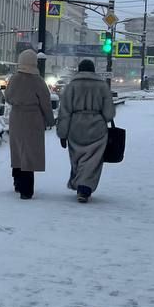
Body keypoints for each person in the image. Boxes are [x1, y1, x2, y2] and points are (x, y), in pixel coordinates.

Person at [57, 59, 115, 203]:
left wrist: (62, 134)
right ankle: (85, 188)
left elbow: (64, 112)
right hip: (97, 127)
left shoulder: (71, 86)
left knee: (77, 157)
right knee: (93, 159)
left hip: (75, 126)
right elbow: (109, 113)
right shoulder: (102, 86)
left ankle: (79, 183)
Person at [7, 49, 56, 199]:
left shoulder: (14, 79)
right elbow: (46, 103)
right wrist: (50, 120)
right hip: (33, 118)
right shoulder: (38, 81)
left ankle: (17, 181)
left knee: (17, 150)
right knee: (29, 153)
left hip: (16, 117)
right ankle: (26, 190)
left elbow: (7, 97)